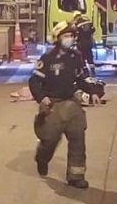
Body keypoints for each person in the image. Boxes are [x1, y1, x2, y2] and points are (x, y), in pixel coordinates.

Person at [28, 22, 103, 188]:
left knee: (78, 137)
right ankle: (42, 157)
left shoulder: (75, 56)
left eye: (71, 36)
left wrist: (93, 92)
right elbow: (34, 80)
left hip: (71, 102)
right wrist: (42, 98)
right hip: (53, 104)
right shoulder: (47, 58)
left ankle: (76, 176)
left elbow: (80, 78)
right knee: (50, 140)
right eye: (65, 36)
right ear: (57, 38)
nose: (69, 39)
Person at [71, 11, 96, 77]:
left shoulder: (76, 24)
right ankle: (93, 71)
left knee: (83, 58)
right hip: (89, 43)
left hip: (81, 44)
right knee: (90, 57)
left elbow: (76, 34)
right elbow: (93, 29)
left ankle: (86, 72)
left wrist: (75, 41)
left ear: (76, 17)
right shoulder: (88, 21)